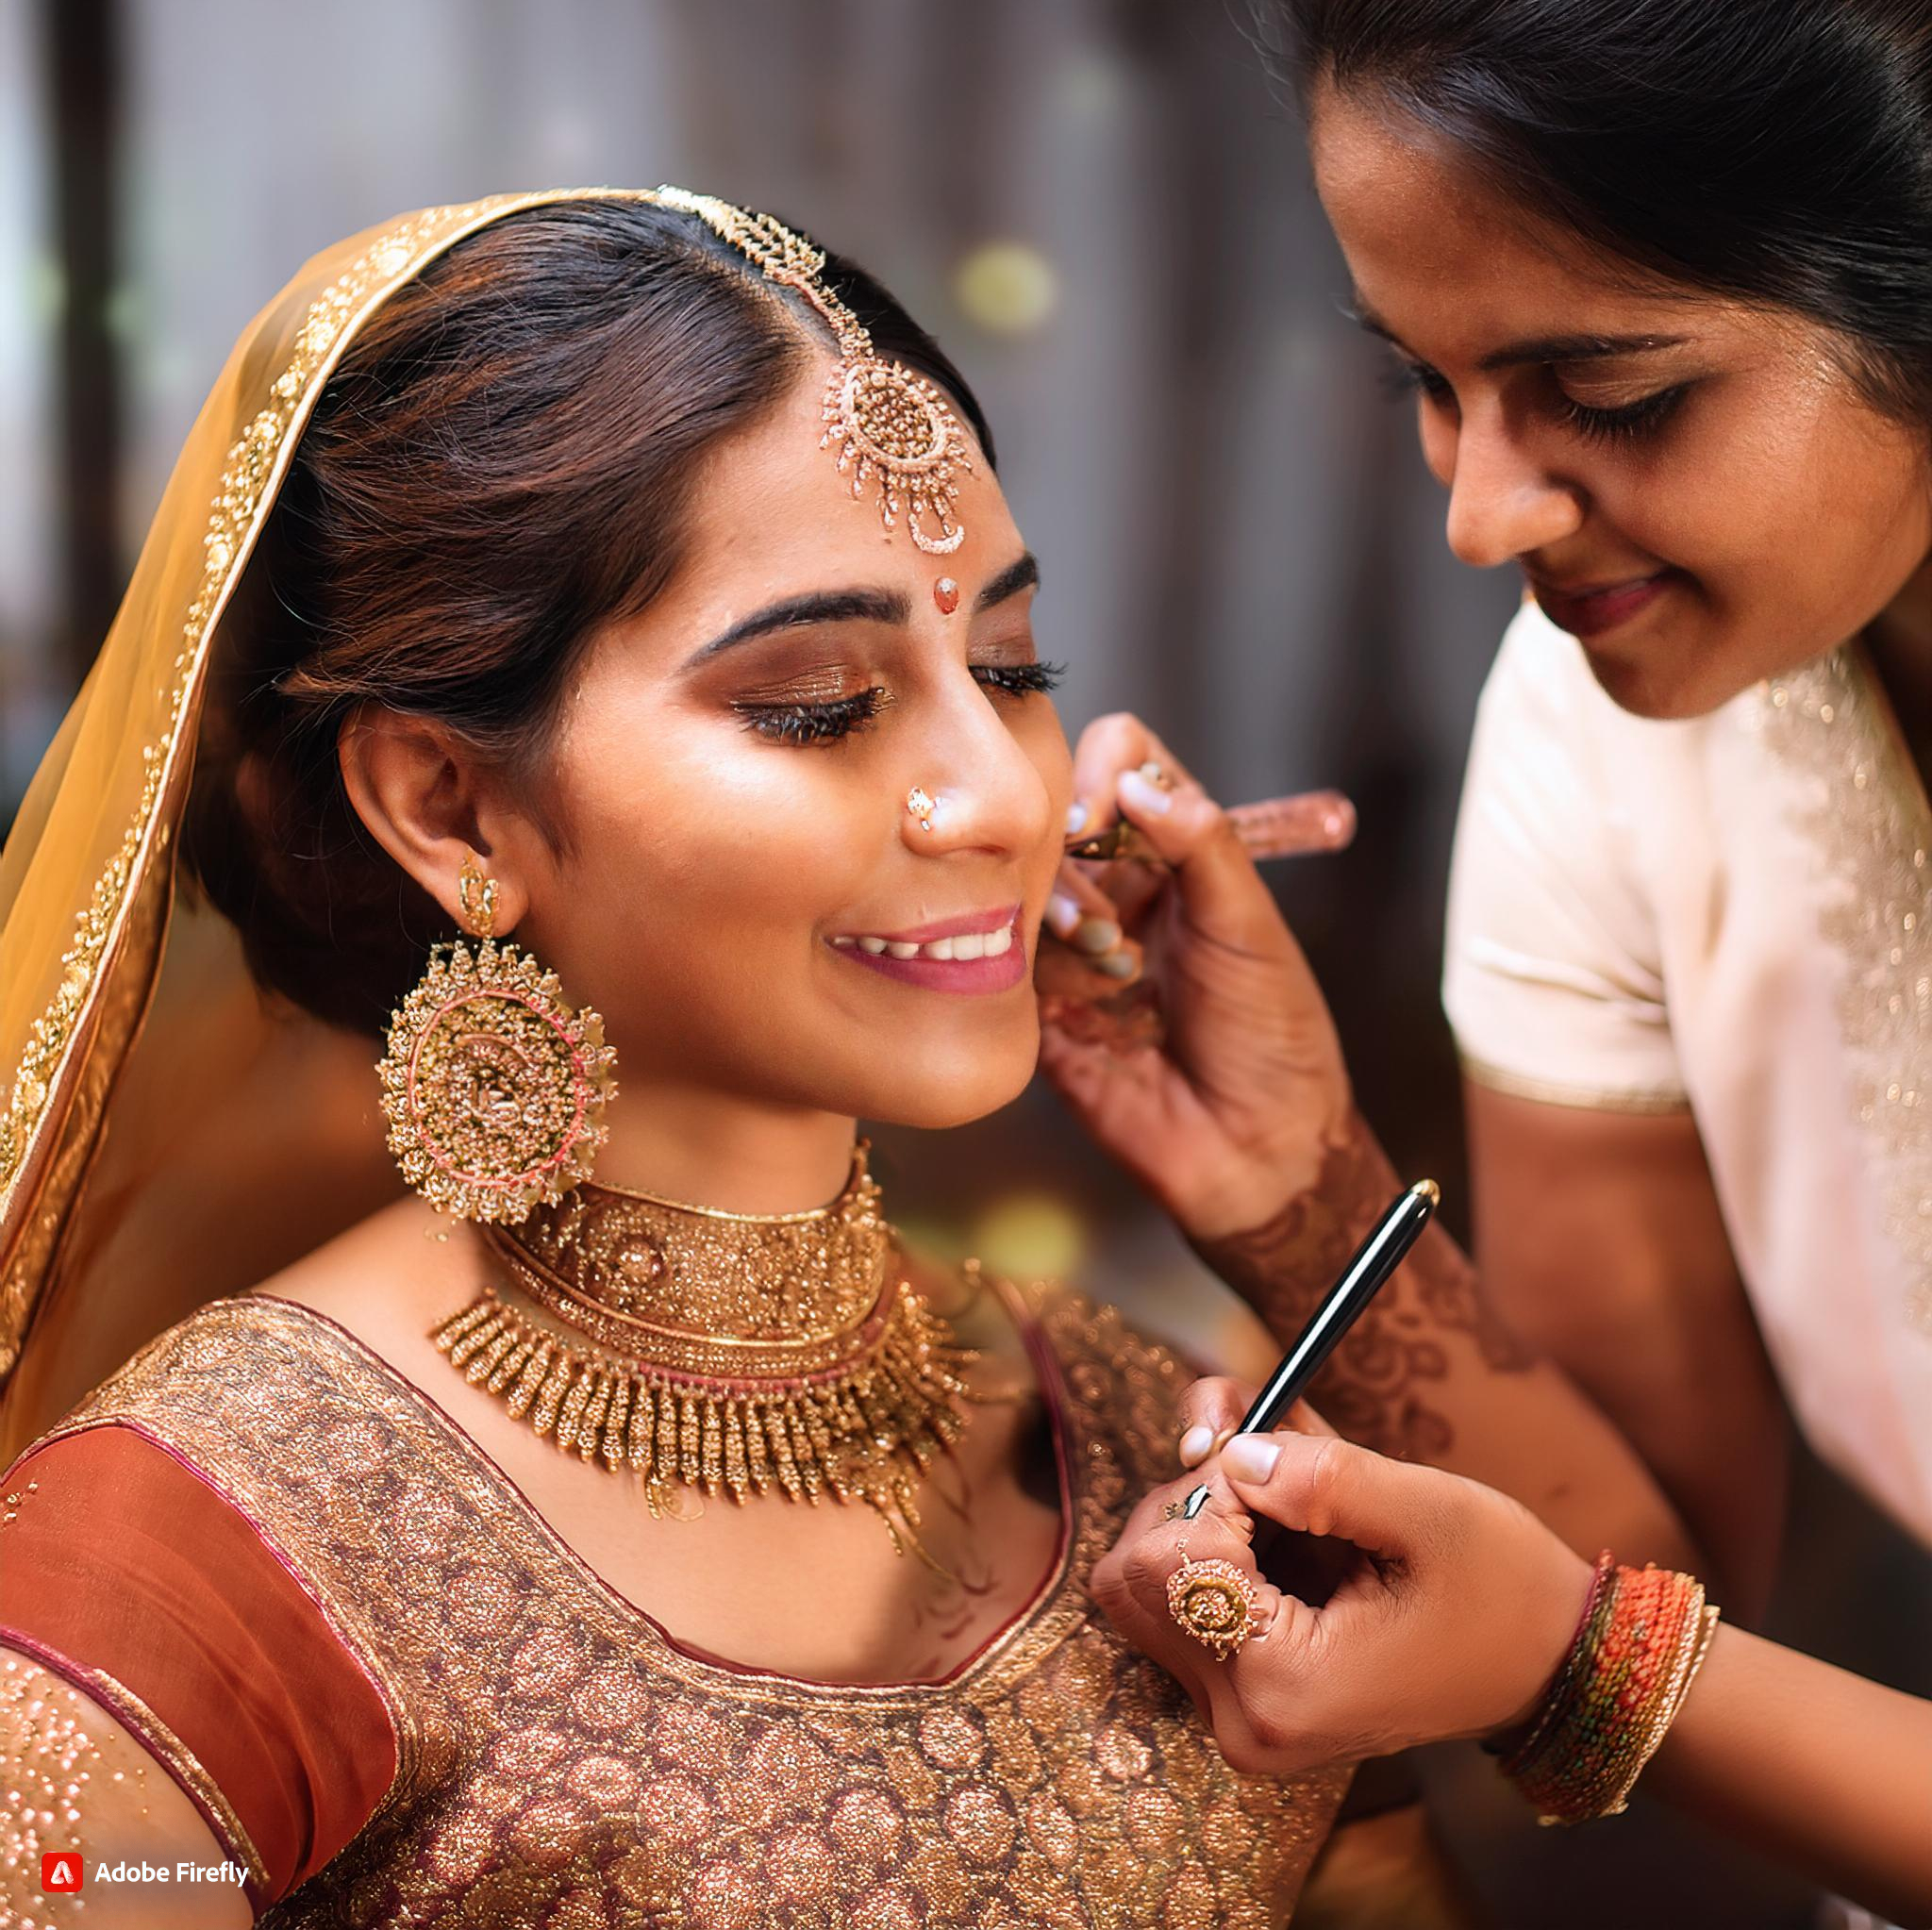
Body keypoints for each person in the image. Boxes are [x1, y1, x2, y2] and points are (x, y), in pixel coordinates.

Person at [0, 188, 1669, 1928]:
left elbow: (1651, 1635)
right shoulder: (201, 1556)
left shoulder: (1157, 1449)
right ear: (448, 801)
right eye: (821, 704)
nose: (1009, 797)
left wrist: (1287, 1182)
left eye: (1014, 667)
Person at [1077, 0, 1932, 1918]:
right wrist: (1294, 1182)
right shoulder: (1606, 706)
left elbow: (1616, 1638)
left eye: (1613, 396)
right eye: (1428, 379)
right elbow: (1654, 1557)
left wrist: (1580, 1665)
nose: (1480, 515)